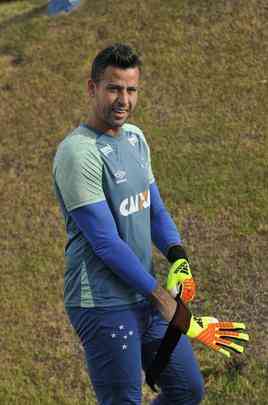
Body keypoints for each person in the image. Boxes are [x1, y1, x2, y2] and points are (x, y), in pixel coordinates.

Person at [52, 43, 249, 405]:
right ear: (92, 88)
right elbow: (105, 242)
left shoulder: (135, 138)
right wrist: (164, 300)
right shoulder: (78, 153)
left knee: (187, 390)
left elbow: (154, 210)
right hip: (103, 303)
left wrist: (178, 257)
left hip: (144, 296)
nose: (122, 99)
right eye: (113, 88)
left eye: (131, 89)